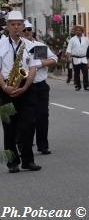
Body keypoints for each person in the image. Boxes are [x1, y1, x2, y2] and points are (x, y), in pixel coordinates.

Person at [0, 11, 40, 173]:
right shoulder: (0, 44)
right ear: (7, 26)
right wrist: (4, 87)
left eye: (19, 24)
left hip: (26, 88)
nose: (16, 27)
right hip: (5, 88)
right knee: (8, 127)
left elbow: (34, 68)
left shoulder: (32, 45)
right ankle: (12, 163)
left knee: (29, 125)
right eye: (13, 24)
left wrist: (25, 87)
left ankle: (28, 161)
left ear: (23, 26)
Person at [23, 20, 58, 155]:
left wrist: (42, 63)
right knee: (27, 117)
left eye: (29, 29)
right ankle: (25, 143)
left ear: (33, 31)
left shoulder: (38, 46)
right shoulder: (19, 46)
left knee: (42, 115)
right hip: (25, 84)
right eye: (25, 29)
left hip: (40, 84)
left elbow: (54, 59)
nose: (27, 32)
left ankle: (42, 145)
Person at [66, 25, 89, 91]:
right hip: (75, 58)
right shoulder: (72, 39)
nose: (77, 31)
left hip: (84, 58)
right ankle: (77, 85)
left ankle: (86, 86)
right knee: (76, 73)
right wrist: (68, 57)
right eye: (76, 30)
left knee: (85, 73)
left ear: (82, 31)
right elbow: (69, 49)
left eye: (79, 30)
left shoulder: (86, 39)